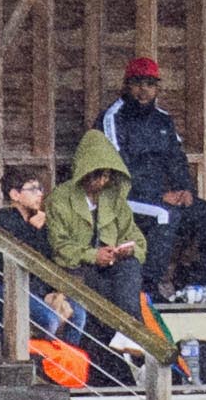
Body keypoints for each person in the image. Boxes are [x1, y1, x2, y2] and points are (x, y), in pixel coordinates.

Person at [99, 56, 206, 297]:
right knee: (165, 216)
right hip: (126, 197)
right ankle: (148, 288)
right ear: (126, 85)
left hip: (163, 197)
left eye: (150, 84)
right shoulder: (113, 118)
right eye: (137, 83)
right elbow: (117, 168)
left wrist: (186, 190)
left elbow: (176, 159)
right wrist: (159, 195)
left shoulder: (163, 119)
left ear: (157, 88)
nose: (144, 90)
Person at [46, 130, 148, 384]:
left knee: (130, 269)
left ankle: (128, 333)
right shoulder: (60, 199)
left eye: (106, 175)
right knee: (102, 293)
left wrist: (127, 249)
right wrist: (93, 255)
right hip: (78, 270)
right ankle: (129, 335)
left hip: (113, 268)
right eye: (96, 174)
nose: (101, 181)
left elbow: (140, 242)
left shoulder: (115, 200)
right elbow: (60, 248)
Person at [0, 165, 86, 346]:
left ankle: (66, 365)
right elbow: (15, 257)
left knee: (78, 314)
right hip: (10, 286)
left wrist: (55, 293)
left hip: (39, 287)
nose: (39, 194)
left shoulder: (39, 221)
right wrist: (33, 229)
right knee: (50, 319)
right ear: (15, 195)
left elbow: (48, 258)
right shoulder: (3, 220)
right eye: (32, 189)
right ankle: (42, 365)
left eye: (40, 189)